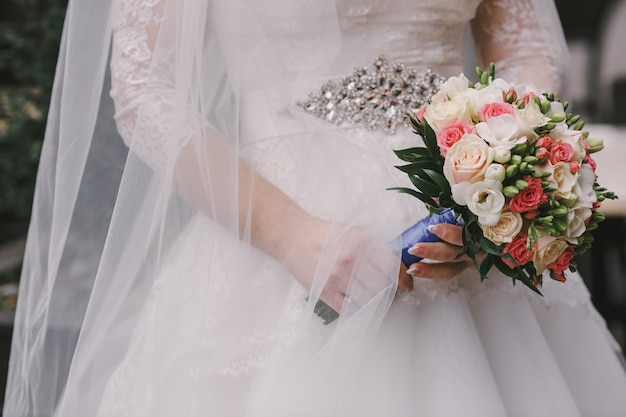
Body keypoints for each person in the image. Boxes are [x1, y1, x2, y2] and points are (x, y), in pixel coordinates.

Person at [4, 0, 626, 415]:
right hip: (273, 229)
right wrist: (290, 235)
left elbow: (526, 48)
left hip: (461, 214)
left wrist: (493, 193)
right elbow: (143, 86)